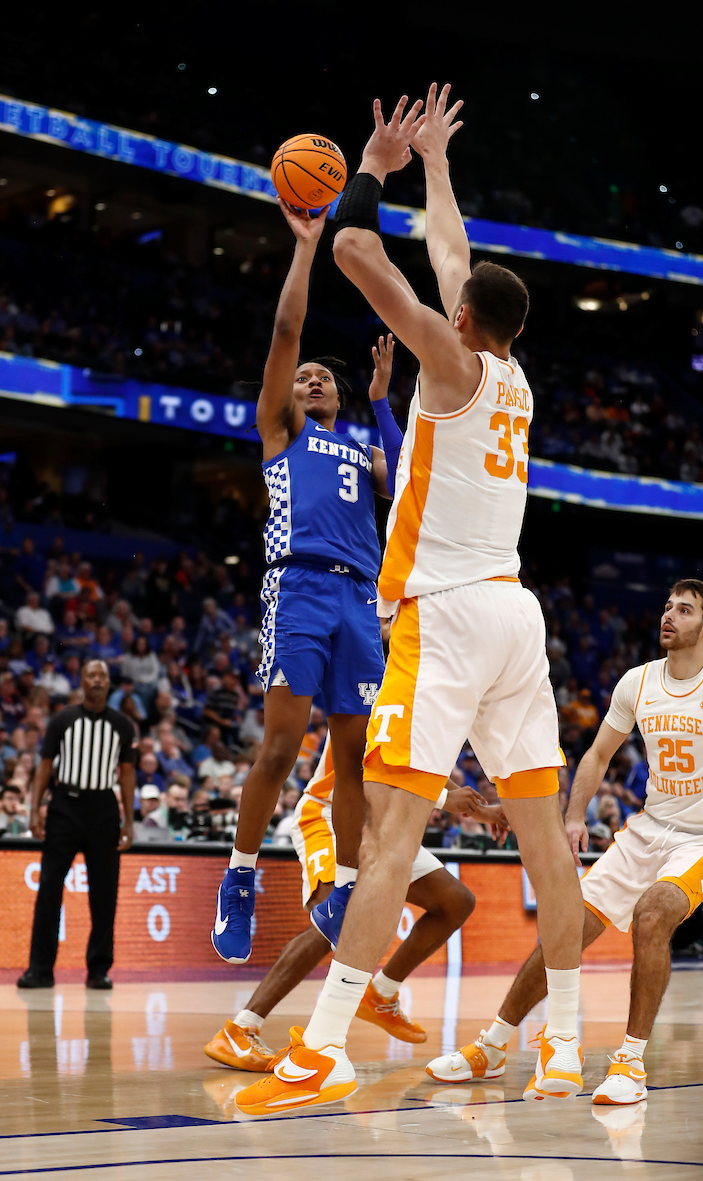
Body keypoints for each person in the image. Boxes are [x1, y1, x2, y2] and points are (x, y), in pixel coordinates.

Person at [236, 86, 583, 1116]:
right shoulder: (513, 378)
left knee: (386, 835)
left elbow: (357, 256)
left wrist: (373, 170)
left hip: (444, 614)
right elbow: (449, 258)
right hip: (518, 616)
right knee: (544, 844)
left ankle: (325, 1044)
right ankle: (561, 1049)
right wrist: (436, 167)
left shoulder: (442, 359)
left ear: (463, 320)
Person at [211, 198, 400, 967]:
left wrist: (385, 403)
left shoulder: (360, 453)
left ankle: (349, 886)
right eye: (307, 378)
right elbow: (289, 336)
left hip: (360, 600)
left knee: (352, 757)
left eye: (328, 378)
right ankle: (242, 874)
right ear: (290, 398)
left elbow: (411, 477)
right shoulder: (279, 434)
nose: (316, 379)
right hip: (298, 590)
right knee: (283, 744)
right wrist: (305, 249)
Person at [428, 580, 703, 1106]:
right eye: (667, 606)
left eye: (685, 610)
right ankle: (493, 1045)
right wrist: (574, 816)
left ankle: (630, 1062)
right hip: (647, 829)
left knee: (652, 914)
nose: (669, 616)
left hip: (697, 841)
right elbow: (598, 755)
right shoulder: (637, 683)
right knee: (564, 929)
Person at [206, 735, 504, 1069]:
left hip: (380, 827)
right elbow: (373, 764)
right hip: (330, 816)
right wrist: (445, 798)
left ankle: (381, 994)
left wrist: (482, 810)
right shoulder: (379, 686)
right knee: (335, 920)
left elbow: (423, 763)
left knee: (455, 902)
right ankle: (241, 1028)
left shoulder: (427, 696)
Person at [17, 660, 136, 990]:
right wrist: (34, 809)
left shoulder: (123, 726)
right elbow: (43, 766)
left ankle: (98, 970)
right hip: (64, 807)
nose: (97, 681)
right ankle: (40, 969)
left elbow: (127, 773)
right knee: (49, 888)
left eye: (102, 676)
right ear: (82, 682)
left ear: (109, 683)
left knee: (104, 894)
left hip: (103, 809)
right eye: (91, 676)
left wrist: (129, 819)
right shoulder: (62, 720)